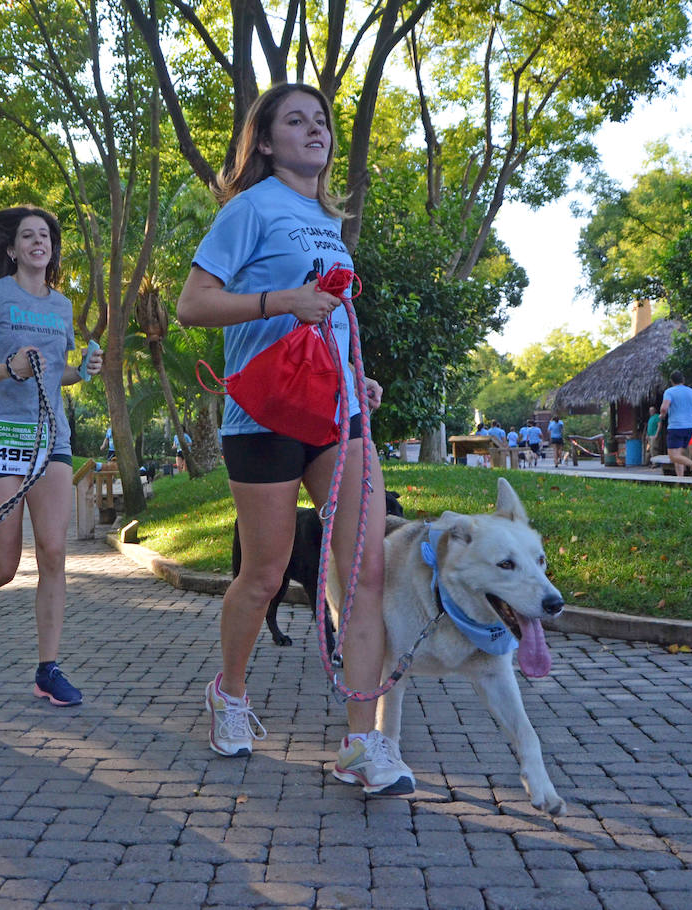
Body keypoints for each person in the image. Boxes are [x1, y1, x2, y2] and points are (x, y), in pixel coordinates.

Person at [176, 83, 413, 795]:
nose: (314, 130)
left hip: (338, 413)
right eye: (296, 121)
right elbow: (192, 305)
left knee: (365, 573)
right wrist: (281, 300)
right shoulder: (248, 210)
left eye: (321, 121)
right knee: (266, 574)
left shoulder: (325, 217)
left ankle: (363, 745)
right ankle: (232, 694)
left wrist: (351, 377)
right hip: (263, 416)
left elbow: (329, 319)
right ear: (268, 141)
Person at [0, 205, 104, 707]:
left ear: (53, 250)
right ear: (11, 249)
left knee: (54, 555)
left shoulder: (62, 307)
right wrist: (6, 369)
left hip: (50, 440)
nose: (39, 242)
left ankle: (47, 669)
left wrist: (86, 370)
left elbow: (58, 376)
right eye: (28, 236)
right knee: (5, 565)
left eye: (46, 236)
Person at [659, 371, 692, 477]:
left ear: (671, 381)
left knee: (673, 456)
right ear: (683, 380)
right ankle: (681, 478)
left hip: (676, 427)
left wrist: (662, 415)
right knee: (679, 454)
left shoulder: (669, 392)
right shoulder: (691, 392)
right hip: (690, 427)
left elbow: (664, 408)